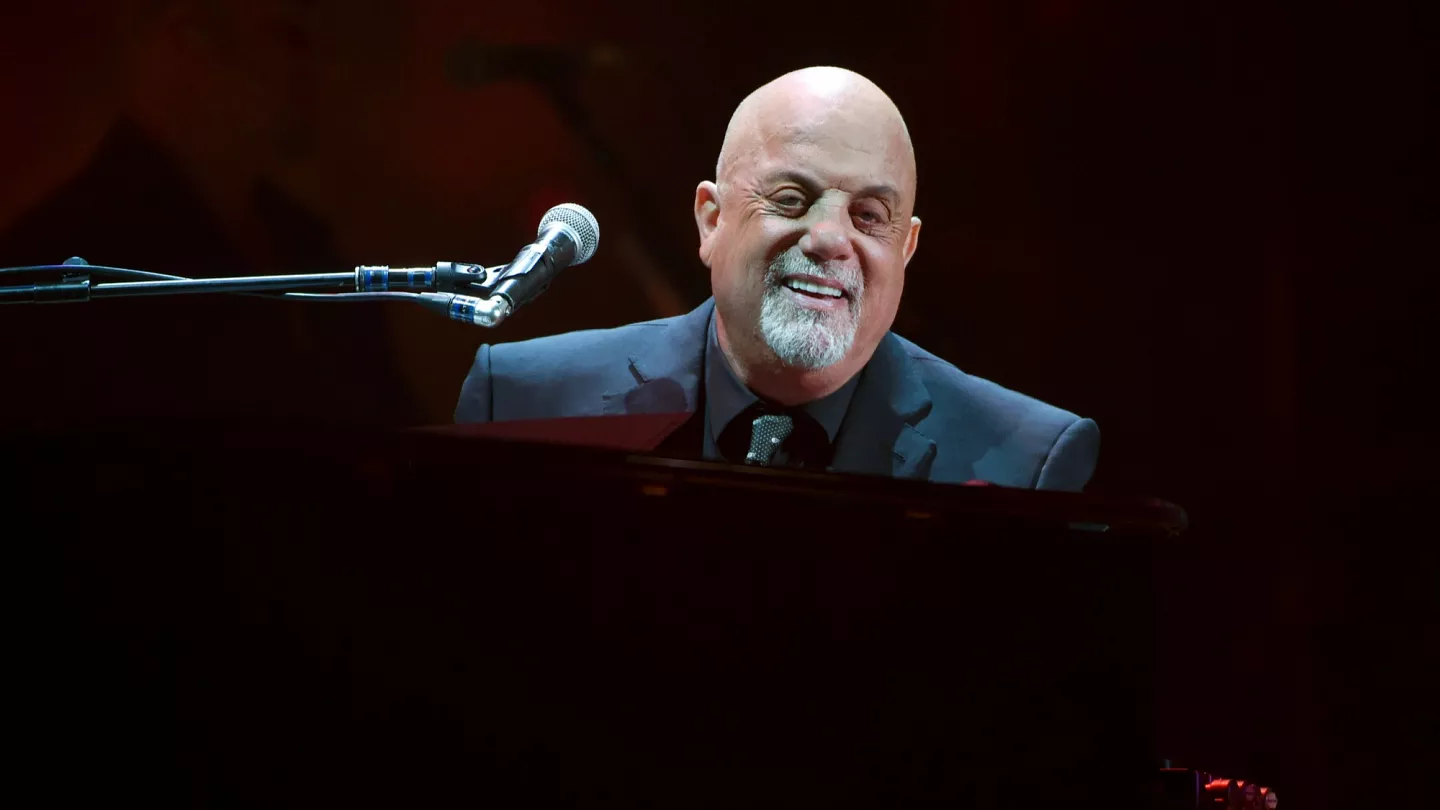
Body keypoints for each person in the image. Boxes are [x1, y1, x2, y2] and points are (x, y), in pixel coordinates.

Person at [454, 66, 1099, 490]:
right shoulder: (520, 401)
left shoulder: (1029, 460)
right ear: (712, 220)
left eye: (869, 216)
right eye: (791, 199)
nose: (829, 239)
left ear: (906, 248)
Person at [0, 1, 422, 430]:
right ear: (189, 39)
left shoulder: (303, 242)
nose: (320, 67)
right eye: (288, 34)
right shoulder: (61, 270)